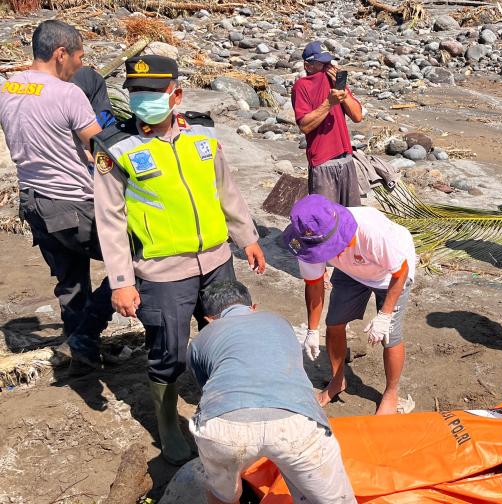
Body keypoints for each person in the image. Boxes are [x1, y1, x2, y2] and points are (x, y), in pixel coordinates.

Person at [92, 55, 267, 465]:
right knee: (169, 351)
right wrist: (121, 280)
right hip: (162, 271)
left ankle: (223, 405)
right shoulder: (116, 148)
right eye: (136, 93)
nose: (143, 101)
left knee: (227, 339)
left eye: (152, 93)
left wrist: (248, 237)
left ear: (176, 95)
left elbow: (226, 189)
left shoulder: (202, 133)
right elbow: (110, 220)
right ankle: (168, 421)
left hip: (218, 260)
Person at [0, 20, 114, 372]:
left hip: (32, 203)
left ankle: (81, 356)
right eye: (78, 56)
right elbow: (100, 150)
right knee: (141, 256)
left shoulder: (8, 88)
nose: (81, 65)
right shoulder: (68, 94)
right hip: (71, 203)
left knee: (71, 280)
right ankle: (85, 335)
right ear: (60, 53)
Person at [189, 281, 356, 504]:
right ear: (253, 307)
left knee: (222, 496)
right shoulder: (279, 322)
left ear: (209, 319)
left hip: (224, 428)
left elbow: (209, 391)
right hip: (296, 423)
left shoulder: (200, 340)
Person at [283, 195, 416, 415]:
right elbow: (314, 285)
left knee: (390, 335)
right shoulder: (307, 240)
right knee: (334, 323)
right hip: (351, 271)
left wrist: (384, 315)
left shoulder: (372, 232)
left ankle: (391, 392)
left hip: (390, 273)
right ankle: (337, 381)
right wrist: (312, 330)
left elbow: (399, 272)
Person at [292, 41, 364, 206]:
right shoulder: (302, 86)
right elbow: (305, 125)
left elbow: (357, 116)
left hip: (346, 158)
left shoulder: (336, 83)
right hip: (322, 162)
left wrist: (343, 90)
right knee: (326, 220)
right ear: (308, 66)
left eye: (329, 63)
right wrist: (328, 103)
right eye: (322, 64)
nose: (328, 68)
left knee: (352, 216)